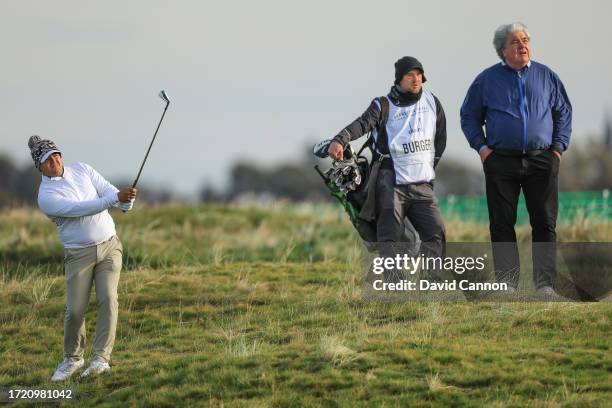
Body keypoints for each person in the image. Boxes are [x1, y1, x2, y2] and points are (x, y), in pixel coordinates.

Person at [460, 23, 572, 294]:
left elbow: (563, 113)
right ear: (502, 50)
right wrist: (483, 150)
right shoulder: (486, 80)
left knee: (545, 222)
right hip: (501, 161)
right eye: (515, 42)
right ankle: (507, 284)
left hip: (542, 160)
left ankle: (545, 285)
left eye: (525, 40)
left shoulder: (547, 77)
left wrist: (557, 149)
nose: (522, 45)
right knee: (501, 222)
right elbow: (469, 116)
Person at [27, 135, 138, 381]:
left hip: (110, 246)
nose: (54, 161)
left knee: (108, 299)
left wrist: (125, 202)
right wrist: (115, 200)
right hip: (79, 255)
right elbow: (82, 209)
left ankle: (101, 359)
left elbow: (109, 192)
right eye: (47, 159)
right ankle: (73, 359)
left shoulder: (83, 169)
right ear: (40, 166)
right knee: (75, 310)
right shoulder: (46, 196)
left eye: (56, 155)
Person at [329, 56, 447, 281]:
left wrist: (428, 169)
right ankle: (395, 284)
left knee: (435, 232)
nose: (416, 79)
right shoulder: (383, 104)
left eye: (419, 74)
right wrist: (340, 139)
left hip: (422, 184)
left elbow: (440, 139)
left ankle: (432, 281)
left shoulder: (433, 102)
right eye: (410, 75)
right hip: (390, 181)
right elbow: (362, 124)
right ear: (399, 79)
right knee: (389, 236)